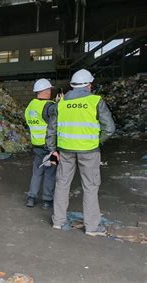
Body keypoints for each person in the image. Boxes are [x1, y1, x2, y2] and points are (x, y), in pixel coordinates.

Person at [46, 69, 115, 236]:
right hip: (89, 151)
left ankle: (58, 221)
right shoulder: (96, 101)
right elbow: (110, 129)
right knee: (90, 186)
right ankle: (92, 227)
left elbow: (51, 130)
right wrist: (96, 141)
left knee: (62, 184)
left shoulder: (61, 103)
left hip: (65, 150)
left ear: (72, 85)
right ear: (89, 85)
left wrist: (52, 150)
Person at [24, 78, 57, 209]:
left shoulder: (30, 106)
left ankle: (31, 198)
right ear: (46, 91)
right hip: (49, 146)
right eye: (49, 90)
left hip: (36, 145)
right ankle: (47, 201)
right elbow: (55, 123)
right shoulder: (49, 106)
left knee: (37, 172)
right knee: (50, 173)